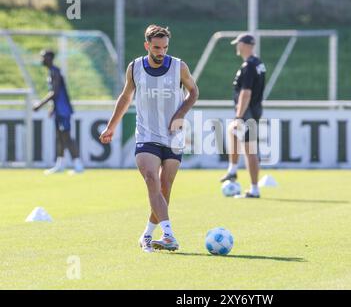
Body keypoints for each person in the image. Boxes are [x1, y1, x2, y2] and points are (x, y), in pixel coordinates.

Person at [99, 25, 199, 253]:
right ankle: (169, 235)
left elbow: (193, 92)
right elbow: (125, 97)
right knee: (151, 179)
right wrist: (111, 126)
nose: (161, 51)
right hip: (146, 136)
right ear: (147, 46)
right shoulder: (135, 68)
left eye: (164, 47)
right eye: (156, 47)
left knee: (164, 189)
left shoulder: (179, 67)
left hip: (173, 138)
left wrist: (180, 115)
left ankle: (147, 234)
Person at [220, 33, 266, 198]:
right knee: (232, 131)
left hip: (248, 112)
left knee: (250, 150)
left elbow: (246, 93)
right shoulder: (258, 63)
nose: (236, 47)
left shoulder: (249, 66)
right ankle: (232, 170)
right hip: (253, 110)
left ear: (245, 45)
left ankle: (254, 189)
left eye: (238, 44)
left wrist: (239, 116)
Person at [33, 49, 84, 175]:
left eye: (43, 57)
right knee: (59, 138)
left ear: (50, 58)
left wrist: (40, 105)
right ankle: (60, 164)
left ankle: (78, 164)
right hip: (58, 110)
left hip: (63, 110)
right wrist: (52, 108)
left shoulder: (55, 72)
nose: (42, 60)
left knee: (66, 137)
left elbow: (55, 93)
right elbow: (57, 93)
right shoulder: (51, 72)